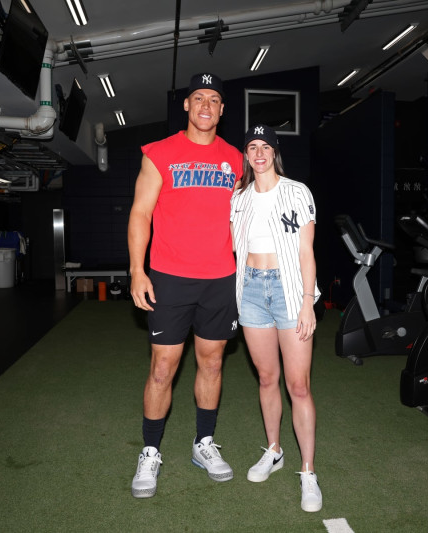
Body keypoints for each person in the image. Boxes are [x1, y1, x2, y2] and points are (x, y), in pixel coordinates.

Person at [127, 72, 243, 499]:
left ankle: (203, 444)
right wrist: (138, 271)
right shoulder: (159, 153)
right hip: (171, 279)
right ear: (186, 106)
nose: (206, 106)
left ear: (222, 109)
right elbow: (140, 213)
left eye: (214, 99)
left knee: (212, 364)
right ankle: (150, 452)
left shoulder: (236, 159)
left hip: (220, 279)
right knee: (163, 368)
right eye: (199, 98)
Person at [230, 124, 322, 512]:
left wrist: (306, 301)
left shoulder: (297, 191)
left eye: (266, 146)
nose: (259, 152)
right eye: (253, 146)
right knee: (267, 378)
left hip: (289, 292)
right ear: (247, 155)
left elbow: (306, 252)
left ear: (275, 152)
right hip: (250, 290)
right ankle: (274, 450)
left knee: (298, 385)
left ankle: (308, 471)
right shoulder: (238, 197)